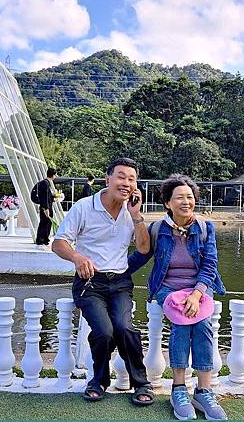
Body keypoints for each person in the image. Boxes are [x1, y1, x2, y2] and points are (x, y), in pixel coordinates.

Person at [52, 158, 155, 406]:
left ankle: (141, 383)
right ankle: (98, 380)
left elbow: (143, 249)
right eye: (121, 177)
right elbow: (58, 243)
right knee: (104, 332)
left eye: (132, 179)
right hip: (90, 283)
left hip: (120, 282)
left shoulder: (132, 213)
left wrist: (137, 215)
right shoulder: (84, 207)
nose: (127, 183)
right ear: (107, 179)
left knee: (125, 328)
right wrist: (77, 257)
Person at [127, 174, 227, 421]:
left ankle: (204, 391)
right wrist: (112, 272)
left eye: (190, 197)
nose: (186, 201)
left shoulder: (205, 228)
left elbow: (210, 264)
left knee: (202, 325)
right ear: (168, 203)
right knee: (182, 324)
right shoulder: (158, 229)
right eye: (179, 197)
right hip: (167, 288)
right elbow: (140, 256)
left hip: (199, 287)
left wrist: (196, 293)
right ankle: (179, 389)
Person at [35, 167, 57, 246]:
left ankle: (44, 238)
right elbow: (44, 197)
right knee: (44, 223)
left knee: (46, 223)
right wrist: (46, 208)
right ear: (53, 175)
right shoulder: (45, 183)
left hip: (47, 206)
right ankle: (41, 239)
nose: (56, 176)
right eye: (55, 175)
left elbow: (48, 196)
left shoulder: (46, 183)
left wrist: (53, 198)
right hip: (45, 207)